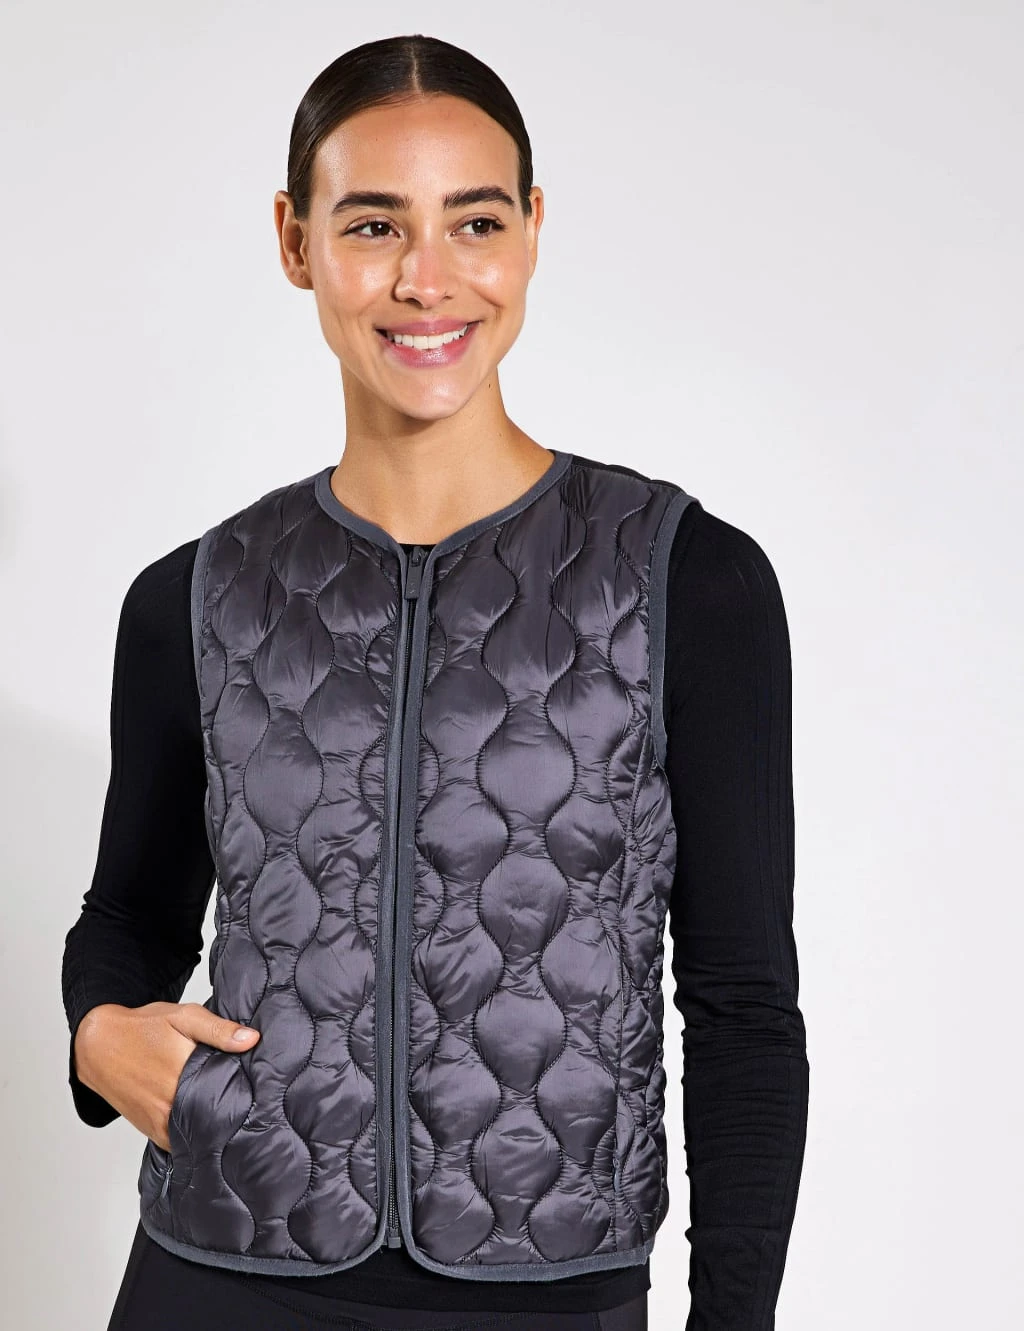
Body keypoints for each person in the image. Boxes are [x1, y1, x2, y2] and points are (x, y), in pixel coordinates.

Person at [62, 32, 809, 1331]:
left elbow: (743, 1004)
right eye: (372, 226)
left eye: (474, 221)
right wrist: (94, 1030)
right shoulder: (194, 595)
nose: (426, 278)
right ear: (295, 241)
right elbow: (126, 915)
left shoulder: (688, 579)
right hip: (219, 1270)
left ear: (532, 231)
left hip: (546, 1293)